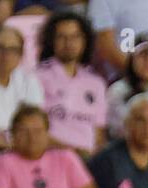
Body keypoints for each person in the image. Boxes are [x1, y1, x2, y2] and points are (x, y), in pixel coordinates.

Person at [35, 9, 107, 156]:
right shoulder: (37, 77)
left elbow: (99, 134)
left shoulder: (96, 82)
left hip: (90, 161)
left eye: (75, 37)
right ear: (51, 41)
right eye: (62, 37)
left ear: (85, 41)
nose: (69, 43)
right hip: (51, 156)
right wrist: (73, 152)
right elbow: (34, 129)